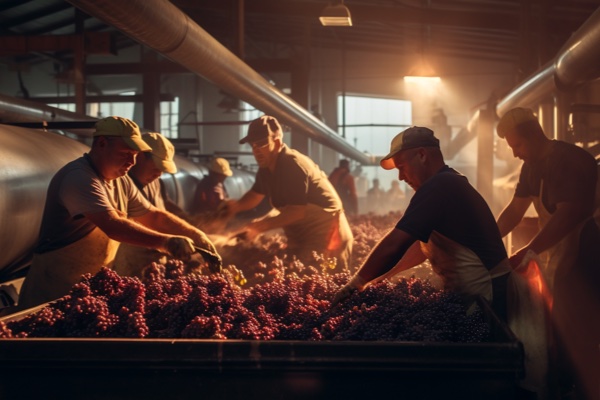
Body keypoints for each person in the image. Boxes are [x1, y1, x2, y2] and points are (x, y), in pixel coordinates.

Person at [332, 126, 547, 397]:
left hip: (487, 299)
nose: (400, 176)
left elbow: (396, 242)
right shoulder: (444, 184)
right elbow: (421, 247)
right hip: (471, 298)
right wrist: (383, 277)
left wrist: (357, 282)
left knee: (483, 380)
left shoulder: (441, 186)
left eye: (401, 166)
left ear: (422, 155)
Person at [16, 117, 221, 311]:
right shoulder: (79, 178)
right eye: (126, 154)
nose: (131, 162)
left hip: (87, 294)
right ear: (102, 143)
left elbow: (153, 216)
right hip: (52, 295)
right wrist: (166, 242)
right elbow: (112, 225)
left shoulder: (120, 181)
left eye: (134, 156)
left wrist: (196, 235)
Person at [495, 107, 600, 400]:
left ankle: (581, 389)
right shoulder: (531, 167)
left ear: (533, 135)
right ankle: (564, 386)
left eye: (517, 145)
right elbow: (516, 210)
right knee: (559, 324)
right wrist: (487, 241)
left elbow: (570, 214)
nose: (515, 154)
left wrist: (531, 251)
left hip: (591, 251)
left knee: (579, 329)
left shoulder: (571, 160)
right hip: (563, 253)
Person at [221, 115, 353, 270]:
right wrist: (234, 208)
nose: (255, 150)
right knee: (296, 277)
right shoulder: (266, 168)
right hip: (302, 236)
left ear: (276, 142)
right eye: (252, 144)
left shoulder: (291, 164)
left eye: (261, 143)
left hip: (326, 233)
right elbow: (255, 195)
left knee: (315, 280)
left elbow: (296, 212)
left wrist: (259, 227)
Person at [113, 132, 221, 278]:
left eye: (163, 169)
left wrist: (189, 226)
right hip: (130, 267)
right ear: (140, 155)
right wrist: (173, 239)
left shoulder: (157, 182)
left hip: (157, 263)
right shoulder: (119, 184)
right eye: (157, 166)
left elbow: (163, 209)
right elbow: (149, 220)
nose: (159, 173)